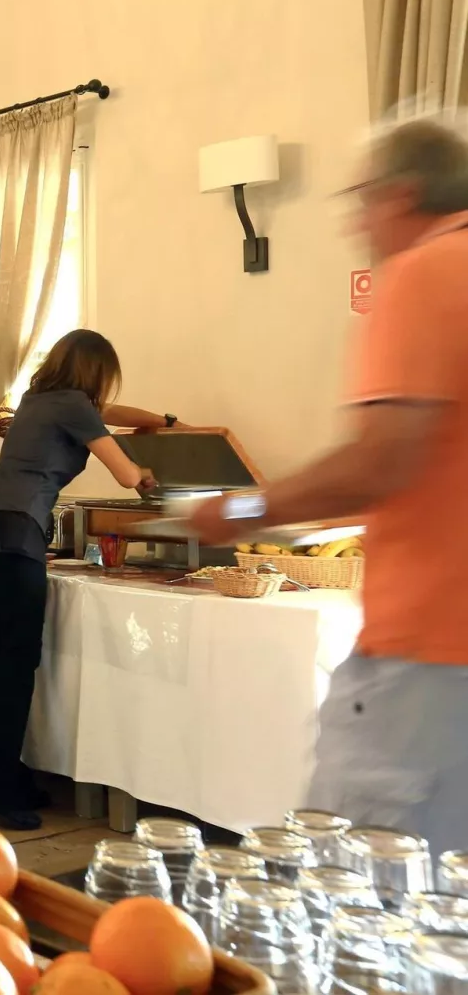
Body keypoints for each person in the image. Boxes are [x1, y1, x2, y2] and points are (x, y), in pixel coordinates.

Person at [189, 116, 468, 848]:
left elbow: (380, 461)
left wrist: (243, 508)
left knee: (367, 894)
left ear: (402, 195)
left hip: (430, 659)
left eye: (362, 198)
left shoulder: (425, 272)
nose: (355, 222)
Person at [0, 329, 176, 829]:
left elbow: (116, 414)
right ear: (96, 373)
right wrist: (143, 470)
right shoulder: (75, 405)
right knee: (15, 662)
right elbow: (123, 474)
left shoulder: (39, 399)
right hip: (17, 536)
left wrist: (168, 422)